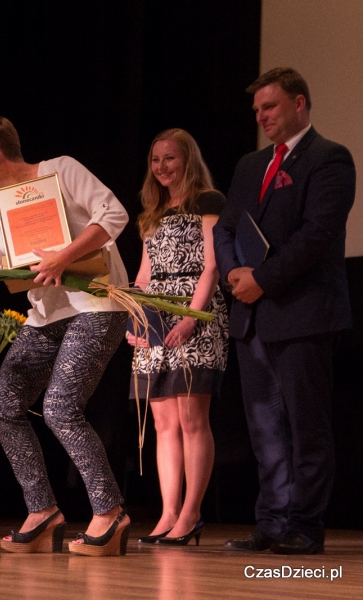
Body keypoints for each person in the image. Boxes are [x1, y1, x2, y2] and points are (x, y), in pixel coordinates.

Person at [0, 113, 131, 555]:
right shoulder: (0, 213)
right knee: (3, 405)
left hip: (95, 305)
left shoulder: (61, 169)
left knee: (60, 407)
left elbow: (115, 213)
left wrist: (63, 256)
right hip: (47, 316)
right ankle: (44, 510)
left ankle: (111, 513)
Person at [213, 68, 355, 555]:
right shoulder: (251, 164)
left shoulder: (330, 158)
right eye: (257, 111)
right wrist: (234, 275)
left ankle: (306, 526)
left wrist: (262, 280)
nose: (261, 117)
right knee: (264, 428)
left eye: (269, 107)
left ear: (299, 103)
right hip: (252, 318)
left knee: (305, 426)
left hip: (302, 314)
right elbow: (225, 229)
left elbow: (316, 236)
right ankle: (271, 522)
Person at [127, 129, 228, 546]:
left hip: (195, 312)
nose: (162, 167)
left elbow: (212, 266)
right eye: (155, 160)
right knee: (163, 423)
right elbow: (143, 275)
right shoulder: (151, 212)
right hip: (154, 316)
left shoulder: (208, 202)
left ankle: (192, 513)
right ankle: (168, 514)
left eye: (170, 158)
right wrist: (134, 319)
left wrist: (192, 318)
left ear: (188, 159)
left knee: (190, 419)